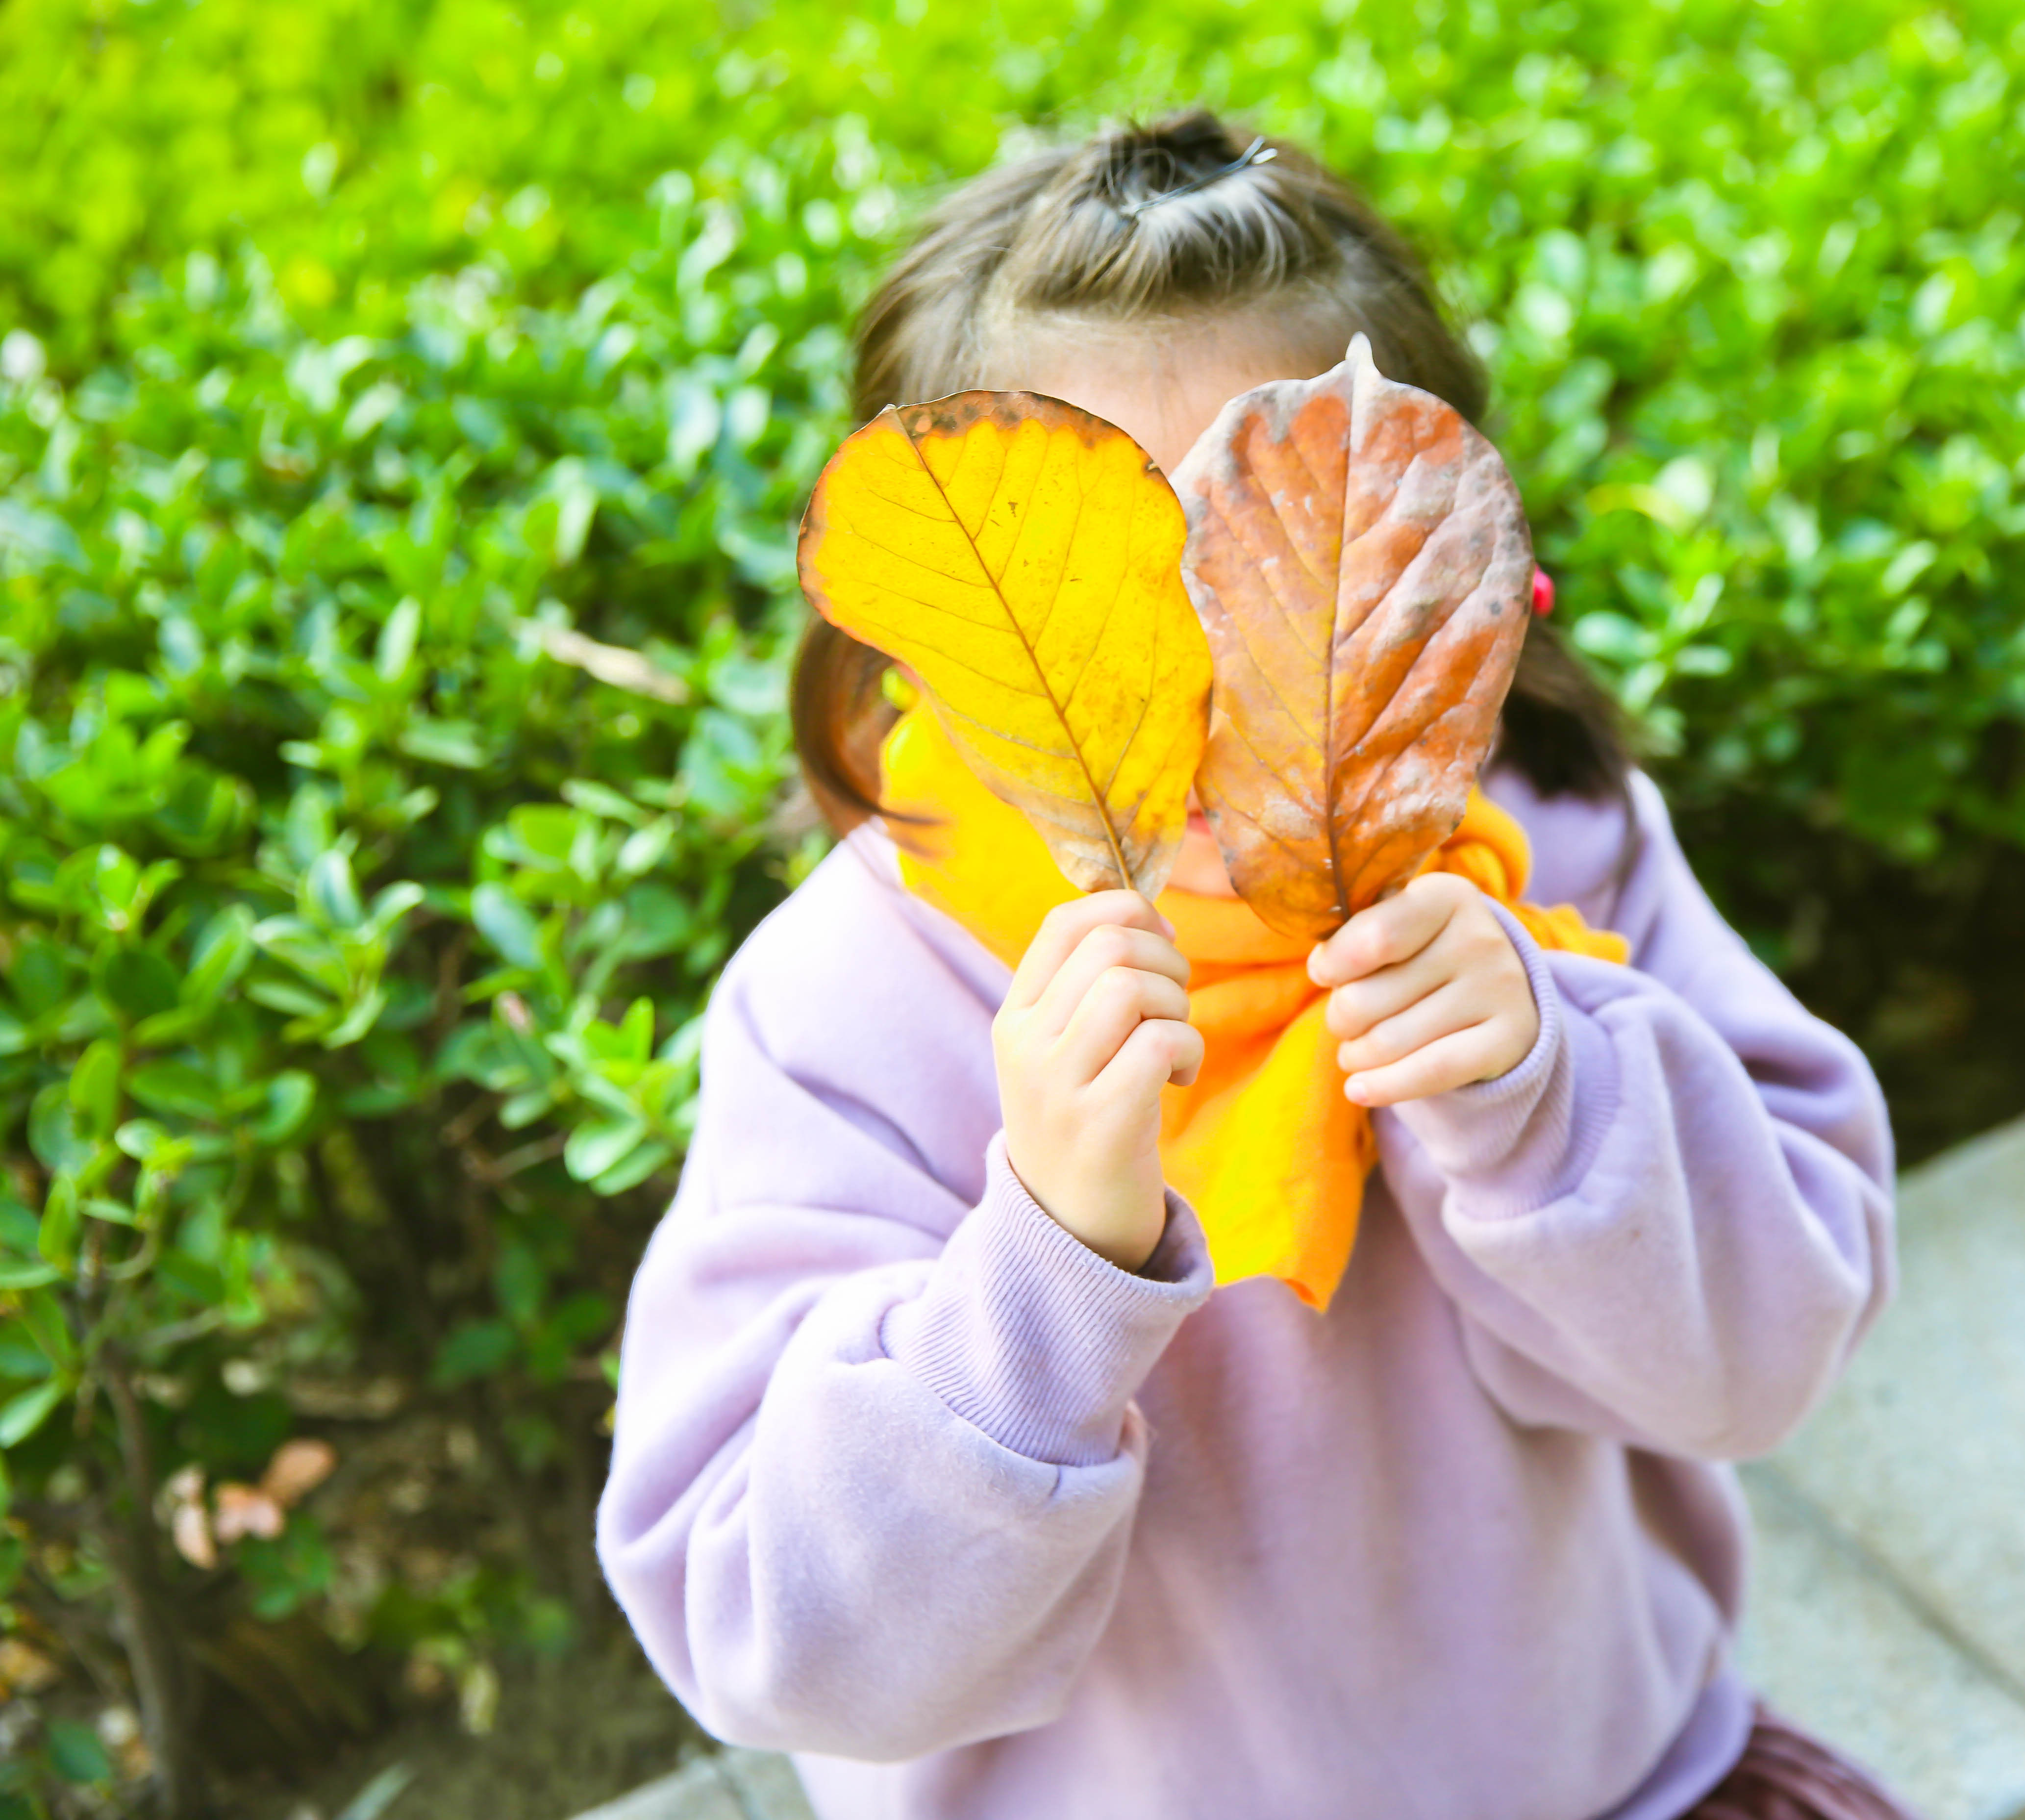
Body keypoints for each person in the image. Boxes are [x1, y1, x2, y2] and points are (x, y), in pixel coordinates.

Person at [597, 109, 1908, 1820]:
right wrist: (1046, 1267)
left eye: (1275, 555)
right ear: (931, 639)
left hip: (1616, 1780)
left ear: (1454, 575)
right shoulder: (856, 1000)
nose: (1202, 689)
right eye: (1108, 588)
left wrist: (1548, 1092)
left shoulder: (1555, 856)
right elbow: (792, 1648)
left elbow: (1765, 1359)